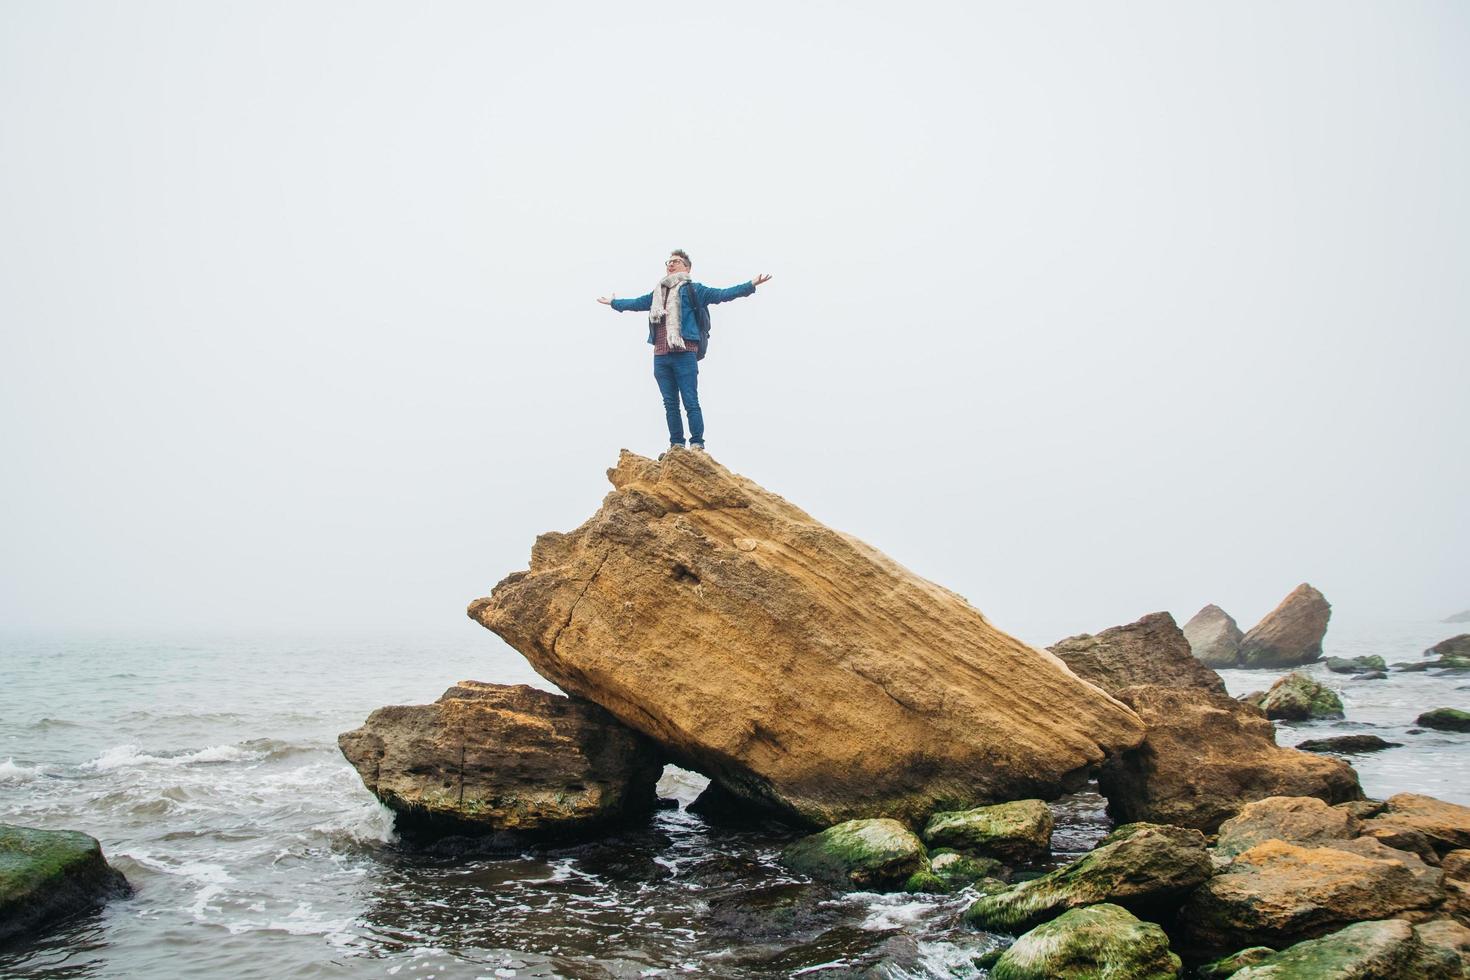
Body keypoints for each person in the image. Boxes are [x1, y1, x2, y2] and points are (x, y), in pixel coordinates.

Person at [598, 250, 771, 455]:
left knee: (690, 400)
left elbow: (723, 294)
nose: (670, 265)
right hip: (661, 355)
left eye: (676, 262)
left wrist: (750, 285)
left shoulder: (694, 290)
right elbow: (636, 303)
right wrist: (614, 303)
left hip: (684, 352)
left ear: (687, 268)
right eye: (668, 262)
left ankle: (697, 444)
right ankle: (677, 445)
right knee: (670, 403)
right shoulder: (657, 294)